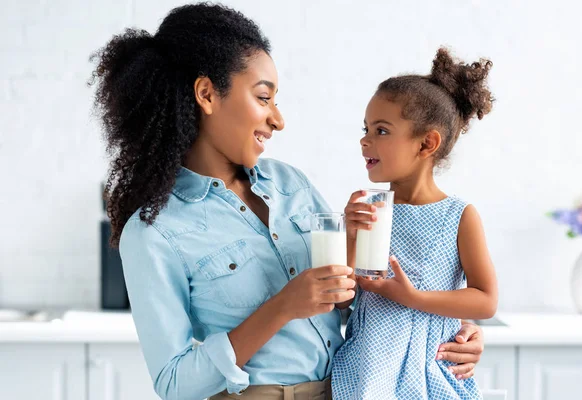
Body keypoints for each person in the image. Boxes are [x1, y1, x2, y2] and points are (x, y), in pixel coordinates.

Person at [89, 3, 486, 399]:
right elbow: (174, 384)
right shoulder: (153, 230)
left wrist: (453, 331)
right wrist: (282, 307)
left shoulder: (289, 184)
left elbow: (358, 303)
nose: (278, 119)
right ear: (207, 94)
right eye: (264, 98)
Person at [332, 48, 498, 399]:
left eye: (381, 130)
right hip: (365, 368)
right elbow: (340, 299)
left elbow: (485, 300)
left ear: (426, 143)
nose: (365, 140)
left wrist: (413, 297)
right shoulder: (369, 210)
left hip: (428, 372)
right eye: (366, 129)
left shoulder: (459, 216)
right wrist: (348, 235)